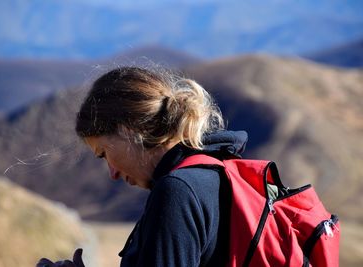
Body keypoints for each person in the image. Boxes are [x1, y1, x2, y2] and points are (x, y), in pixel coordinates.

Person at [36, 66, 248, 267]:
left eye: (104, 154)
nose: (113, 173)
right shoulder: (216, 172)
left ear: (128, 130)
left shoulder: (178, 192)